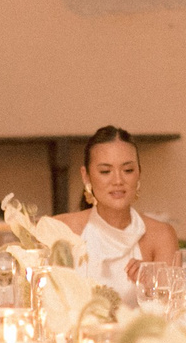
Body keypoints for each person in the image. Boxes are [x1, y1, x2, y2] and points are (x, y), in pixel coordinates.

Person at [57, 125, 178, 301]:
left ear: (138, 173)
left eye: (128, 170)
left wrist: (152, 286)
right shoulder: (62, 229)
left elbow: (172, 313)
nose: (118, 181)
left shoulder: (161, 235)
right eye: (105, 171)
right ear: (86, 176)